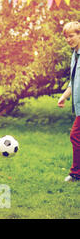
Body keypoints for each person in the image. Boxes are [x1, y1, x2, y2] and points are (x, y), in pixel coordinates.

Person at [57, 20, 80, 182]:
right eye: (66, 37)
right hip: (78, 106)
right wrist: (64, 96)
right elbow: (73, 82)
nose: (68, 40)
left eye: (71, 36)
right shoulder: (74, 55)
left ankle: (75, 173)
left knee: (75, 136)